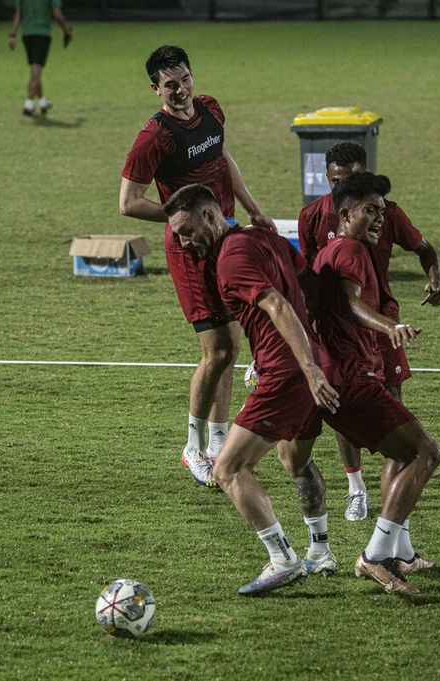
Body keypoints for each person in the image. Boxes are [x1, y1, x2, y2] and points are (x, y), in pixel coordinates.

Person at [163, 183, 340, 595]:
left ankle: (283, 559)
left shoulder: (230, 260)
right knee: (293, 459)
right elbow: (307, 281)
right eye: (178, 237)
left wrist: (308, 368)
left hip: (287, 372)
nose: (185, 244)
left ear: (210, 216)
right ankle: (320, 551)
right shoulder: (264, 236)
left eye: (187, 232)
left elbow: (277, 305)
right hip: (304, 363)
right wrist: (319, 353)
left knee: (227, 468)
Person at [119, 45, 276, 486]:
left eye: (185, 79)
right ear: (156, 89)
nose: (181, 90)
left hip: (224, 240)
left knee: (231, 347)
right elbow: (128, 203)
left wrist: (253, 208)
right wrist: (179, 217)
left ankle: (218, 443)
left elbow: (223, 161)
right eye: (170, 84)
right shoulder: (154, 138)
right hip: (190, 251)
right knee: (219, 351)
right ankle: (193, 447)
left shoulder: (210, 110)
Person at [309, 172, 440, 596]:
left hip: (343, 375)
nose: (380, 219)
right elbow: (350, 304)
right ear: (345, 214)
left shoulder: (341, 248)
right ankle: (375, 554)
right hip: (351, 380)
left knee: (403, 454)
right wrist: (390, 327)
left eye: (382, 212)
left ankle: (396, 551)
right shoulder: (349, 249)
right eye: (371, 210)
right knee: (425, 454)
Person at [7, 0, 72, 117]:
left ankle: (43, 103)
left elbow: (18, 13)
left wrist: (13, 34)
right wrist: (66, 29)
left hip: (27, 34)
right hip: (42, 34)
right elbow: (57, 15)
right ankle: (29, 104)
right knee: (36, 71)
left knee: (35, 68)